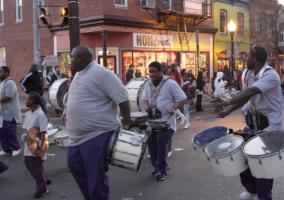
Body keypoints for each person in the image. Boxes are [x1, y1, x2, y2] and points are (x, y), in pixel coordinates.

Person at [219, 45, 284, 200]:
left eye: (247, 56)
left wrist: (228, 101)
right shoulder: (249, 74)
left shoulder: (271, 75)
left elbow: (252, 91)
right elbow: (247, 97)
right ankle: (252, 188)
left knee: (263, 164)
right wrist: (228, 110)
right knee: (242, 157)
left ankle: (264, 195)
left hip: (269, 127)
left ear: (254, 58)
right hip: (253, 124)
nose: (245, 58)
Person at [65, 45, 131, 200]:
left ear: (81, 58)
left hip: (97, 134)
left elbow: (123, 98)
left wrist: (127, 123)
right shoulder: (79, 74)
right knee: (75, 168)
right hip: (76, 137)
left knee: (95, 177)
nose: (70, 60)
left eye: (72, 57)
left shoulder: (102, 73)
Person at [141, 61, 186, 181]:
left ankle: (161, 171)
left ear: (161, 71)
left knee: (161, 145)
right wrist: (147, 109)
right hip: (152, 122)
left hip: (166, 122)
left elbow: (181, 98)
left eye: (154, 72)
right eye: (150, 72)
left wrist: (174, 108)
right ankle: (158, 167)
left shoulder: (170, 83)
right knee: (152, 146)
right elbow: (144, 100)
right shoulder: (148, 84)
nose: (152, 74)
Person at [22, 92, 51, 199]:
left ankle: (42, 189)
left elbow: (43, 133)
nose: (26, 101)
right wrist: (26, 138)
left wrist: (41, 148)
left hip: (38, 143)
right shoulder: (28, 113)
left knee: (37, 167)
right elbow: (26, 129)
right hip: (29, 142)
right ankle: (44, 179)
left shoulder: (40, 114)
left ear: (33, 101)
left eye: (28, 99)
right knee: (28, 163)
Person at [0, 66, 22, 156]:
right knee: (2, 131)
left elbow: (8, 97)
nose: (0, 73)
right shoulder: (3, 83)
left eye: (1, 72)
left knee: (10, 131)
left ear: (7, 73)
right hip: (3, 112)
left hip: (10, 112)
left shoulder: (10, 83)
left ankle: (16, 148)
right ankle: (7, 149)